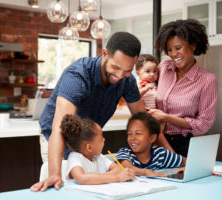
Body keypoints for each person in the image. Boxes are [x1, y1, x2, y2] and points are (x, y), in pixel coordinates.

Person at [31, 32, 146, 192]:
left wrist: (165, 157)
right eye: (115, 67)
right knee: (63, 187)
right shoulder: (78, 76)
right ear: (104, 53)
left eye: (127, 71)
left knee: (89, 189)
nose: (120, 76)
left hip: (88, 140)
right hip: (58, 135)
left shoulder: (127, 81)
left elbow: (143, 119)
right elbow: (59, 127)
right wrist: (55, 174)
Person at [149, 19, 218, 157]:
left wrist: (167, 117)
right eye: (169, 49)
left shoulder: (207, 80)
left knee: (180, 177)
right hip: (156, 139)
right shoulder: (163, 67)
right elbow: (149, 88)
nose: (173, 54)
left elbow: (204, 124)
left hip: (184, 144)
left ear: (193, 45)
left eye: (178, 48)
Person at [60, 114, 135, 184]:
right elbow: (82, 178)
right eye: (101, 138)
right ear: (89, 147)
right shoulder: (75, 157)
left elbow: (118, 169)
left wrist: (100, 178)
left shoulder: (98, 157)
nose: (104, 139)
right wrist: (116, 177)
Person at [116, 112, 185, 177]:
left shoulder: (161, 154)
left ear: (152, 138)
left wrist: (186, 167)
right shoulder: (125, 152)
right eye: (130, 134)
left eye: (138, 133)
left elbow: (185, 161)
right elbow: (126, 167)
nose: (132, 138)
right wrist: (145, 172)